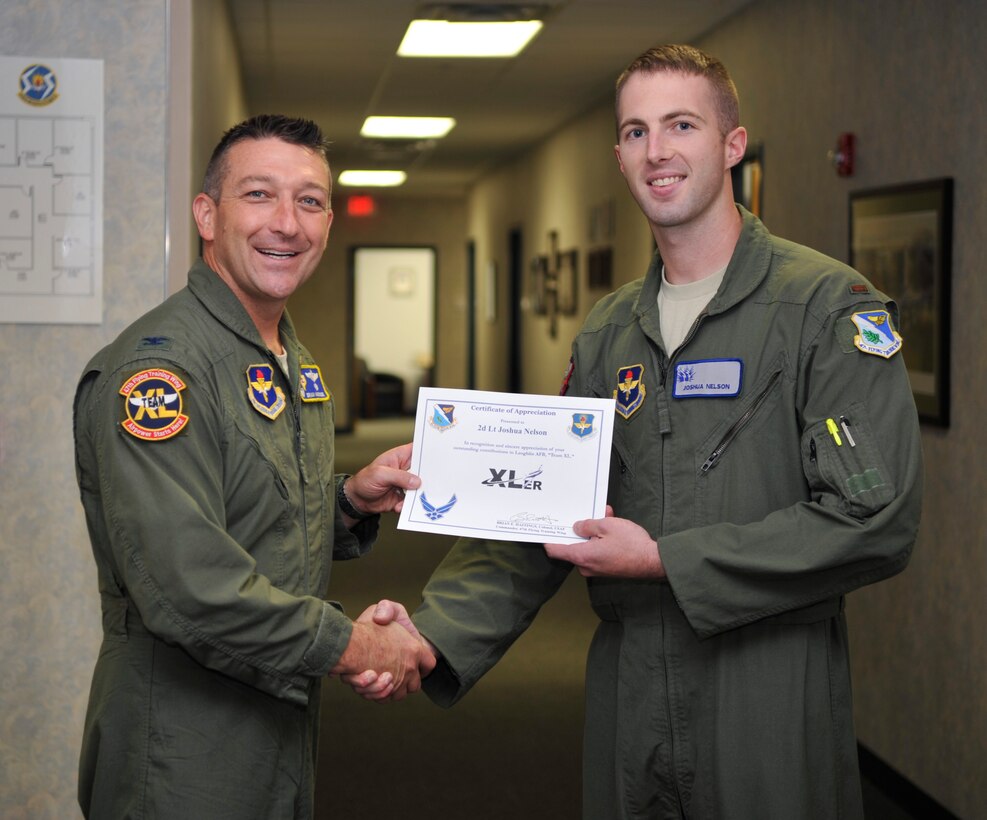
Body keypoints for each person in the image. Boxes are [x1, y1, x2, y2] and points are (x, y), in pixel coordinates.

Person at [352, 45, 923, 819]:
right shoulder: (611, 329)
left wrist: (664, 560)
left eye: (680, 124)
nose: (655, 151)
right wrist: (430, 633)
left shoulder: (823, 309)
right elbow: (545, 511)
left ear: (730, 145)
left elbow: (873, 521)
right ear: (619, 156)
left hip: (766, 682)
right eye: (633, 132)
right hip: (628, 684)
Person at [73, 114, 434, 819]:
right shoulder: (161, 373)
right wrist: (357, 642)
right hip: (181, 742)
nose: (287, 224)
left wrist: (349, 501)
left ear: (329, 223)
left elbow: (246, 516)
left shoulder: (283, 356)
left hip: (273, 718)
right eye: (259, 195)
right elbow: (192, 587)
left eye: (308, 201)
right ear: (207, 215)